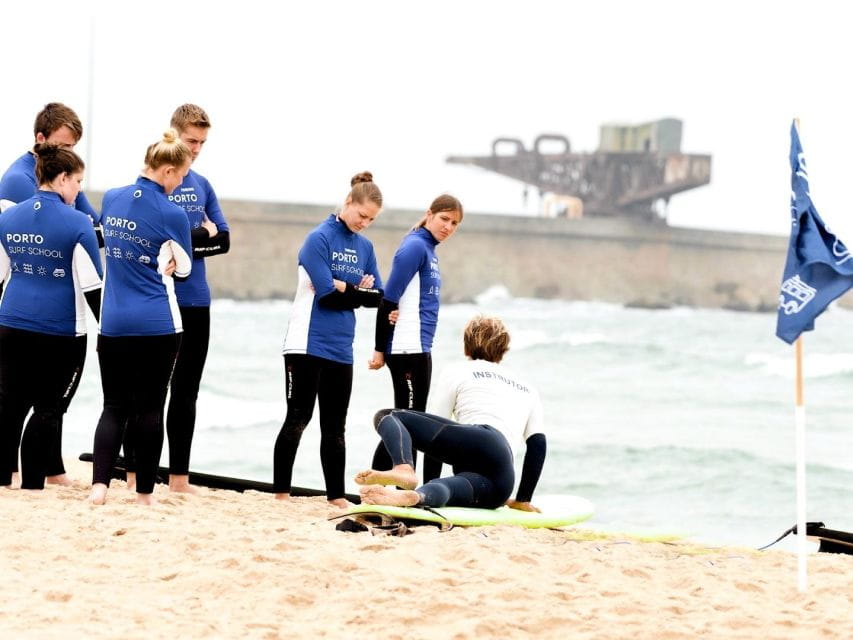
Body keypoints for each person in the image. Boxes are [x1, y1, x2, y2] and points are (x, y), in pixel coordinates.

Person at [0, 102, 103, 487]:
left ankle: (17, 478)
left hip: (13, 319)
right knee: (46, 406)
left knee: (12, 402)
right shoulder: (15, 182)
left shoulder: (13, 216)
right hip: (56, 323)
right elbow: (92, 280)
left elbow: (4, 266)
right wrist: (110, 329)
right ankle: (30, 482)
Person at [88, 129, 193, 506]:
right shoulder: (172, 212)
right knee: (150, 407)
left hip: (112, 322)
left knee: (113, 405)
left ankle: (100, 486)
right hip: (157, 324)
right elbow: (183, 270)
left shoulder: (112, 198)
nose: (181, 183)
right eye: (180, 175)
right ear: (166, 170)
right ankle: (144, 494)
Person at [356, 315, 547, 511]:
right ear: (503, 351)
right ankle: (418, 496)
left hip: (482, 440)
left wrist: (424, 469)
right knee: (443, 488)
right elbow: (537, 445)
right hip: (501, 483)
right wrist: (523, 499)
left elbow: (437, 435)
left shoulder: (458, 371)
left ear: (466, 347)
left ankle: (403, 468)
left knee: (390, 417)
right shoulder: (528, 389)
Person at [275, 171, 384, 508]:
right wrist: (354, 290)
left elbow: (377, 296)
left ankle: (335, 496)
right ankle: (280, 493)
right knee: (298, 418)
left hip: (341, 347)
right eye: (361, 214)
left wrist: (344, 287)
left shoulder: (365, 247)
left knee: (336, 427)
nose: (365, 223)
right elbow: (326, 296)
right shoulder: (318, 239)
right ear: (348, 202)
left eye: (371, 219)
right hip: (305, 343)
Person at [368, 195, 463, 482]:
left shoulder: (429, 250)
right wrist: (379, 349)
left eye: (455, 223)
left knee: (408, 423)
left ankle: (383, 487)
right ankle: (390, 489)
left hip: (420, 347)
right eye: (444, 219)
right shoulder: (414, 247)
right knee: (407, 424)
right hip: (406, 347)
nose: (448, 227)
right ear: (429, 214)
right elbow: (388, 300)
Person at [162, 104, 230, 493]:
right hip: (158, 300)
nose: (197, 148)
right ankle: (136, 472)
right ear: (173, 134)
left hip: (196, 301)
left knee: (187, 391)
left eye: (202, 142)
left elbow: (224, 239)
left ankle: (179, 478)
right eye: (191, 140)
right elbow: (152, 238)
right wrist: (198, 234)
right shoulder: (157, 181)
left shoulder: (202, 185)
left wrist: (186, 247)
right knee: (150, 391)